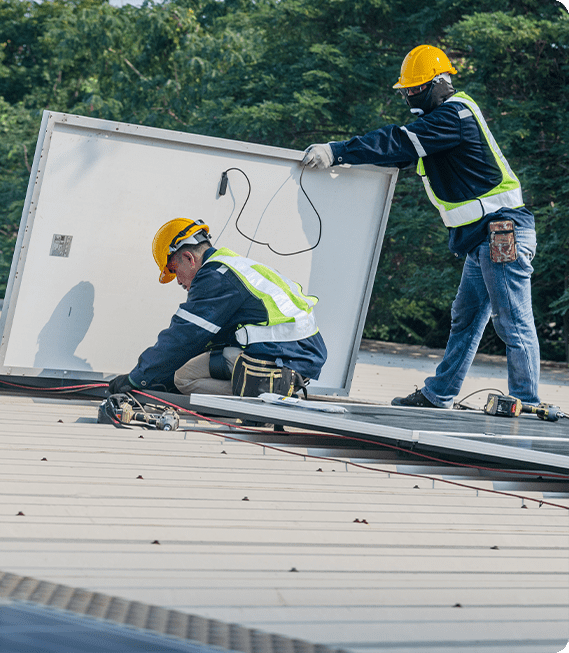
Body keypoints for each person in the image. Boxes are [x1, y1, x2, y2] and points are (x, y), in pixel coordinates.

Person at [302, 44, 540, 409]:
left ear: (439, 83)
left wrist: (338, 150)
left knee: (511, 317)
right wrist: (350, 158)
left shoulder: (454, 116)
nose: (410, 96)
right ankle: (439, 393)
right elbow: (399, 150)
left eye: (416, 89)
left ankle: (527, 402)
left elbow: (397, 140)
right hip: (482, 236)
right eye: (406, 90)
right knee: (466, 317)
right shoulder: (437, 124)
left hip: (501, 231)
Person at [107, 218, 327, 397]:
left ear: (188, 258)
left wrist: (138, 378)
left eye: (174, 269)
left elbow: (184, 336)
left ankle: (261, 394)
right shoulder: (234, 265)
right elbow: (207, 340)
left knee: (183, 379)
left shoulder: (216, 277)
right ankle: (273, 388)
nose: (178, 281)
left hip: (284, 359)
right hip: (298, 355)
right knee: (193, 362)